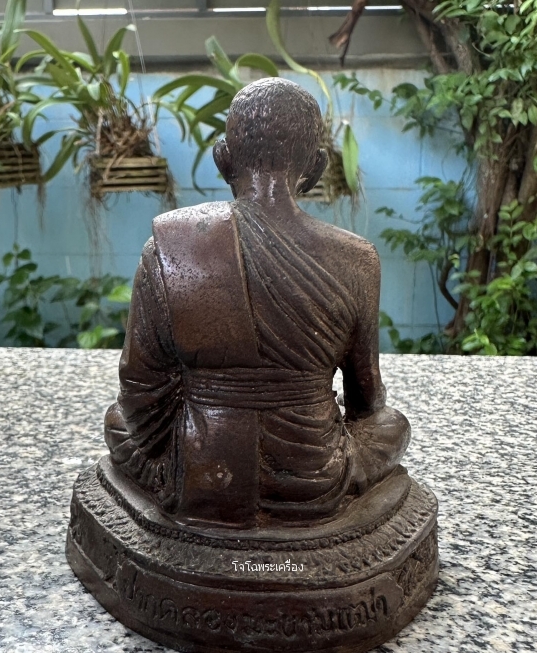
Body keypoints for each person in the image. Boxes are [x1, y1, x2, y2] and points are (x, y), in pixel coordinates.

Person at [104, 78, 410, 530]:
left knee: (116, 421)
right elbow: (366, 401)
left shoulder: (169, 246)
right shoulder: (357, 258)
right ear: (318, 166)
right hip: (313, 476)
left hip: (201, 472)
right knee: (392, 426)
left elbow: (137, 389)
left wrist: (164, 458)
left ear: (223, 159)